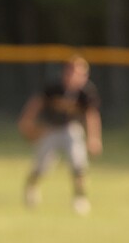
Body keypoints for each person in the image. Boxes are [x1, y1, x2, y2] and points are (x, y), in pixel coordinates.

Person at [17, 55, 102, 215]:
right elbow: (36, 103)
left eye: (81, 73)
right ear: (66, 72)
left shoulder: (86, 92)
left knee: (79, 164)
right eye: (73, 72)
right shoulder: (54, 87)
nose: (77, 76)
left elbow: (92, 116)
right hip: (50, 129)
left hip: (71, 129)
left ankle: (80, 198)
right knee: (42, 167)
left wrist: (94, 138)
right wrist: (27, 121)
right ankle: (32, 186)